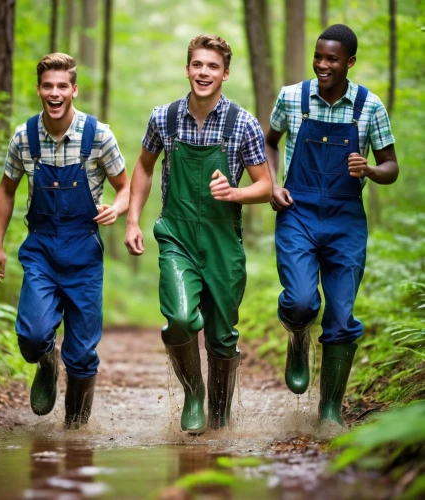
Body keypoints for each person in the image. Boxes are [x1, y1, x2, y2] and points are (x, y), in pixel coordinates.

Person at [125, 34, 272, 435]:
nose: (203, 73)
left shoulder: (243, 124)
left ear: (225, 73)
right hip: (177, 235)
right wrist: (134, 219)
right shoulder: (164, 118)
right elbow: (142, 167)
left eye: (212, 66)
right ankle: (193, 393)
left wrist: (235, 191)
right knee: (179, 319)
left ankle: (221, 421)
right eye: (197, 65)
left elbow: (266, 186)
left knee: (222, 338)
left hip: (224, 241)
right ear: (187, 68)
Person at [265, 24, 399, 426]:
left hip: (346, 220)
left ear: (350, 63)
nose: (322, 65)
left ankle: (329, 411)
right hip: (298, 213)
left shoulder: (369, 107)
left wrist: (371, 169)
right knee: (302, 301)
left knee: (341, 317)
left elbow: (392, 167)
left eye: (332, 59)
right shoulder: (292, 97)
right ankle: (297, 334)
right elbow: (270, 142)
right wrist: (272, 184)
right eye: (318, 56)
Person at [0, 53, 130, 429]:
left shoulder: (98, 135)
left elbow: (125, 186)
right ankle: (46, 361)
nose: (55, 93)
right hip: (42, 251)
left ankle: (75, 433)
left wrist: (117, 208)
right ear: (39, 89)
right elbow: (5, 191)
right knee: (32, 336)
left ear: (74, 90)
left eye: (62, 86)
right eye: (48, 86)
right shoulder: (24, 136)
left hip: (84, 251)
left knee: (82, 355)